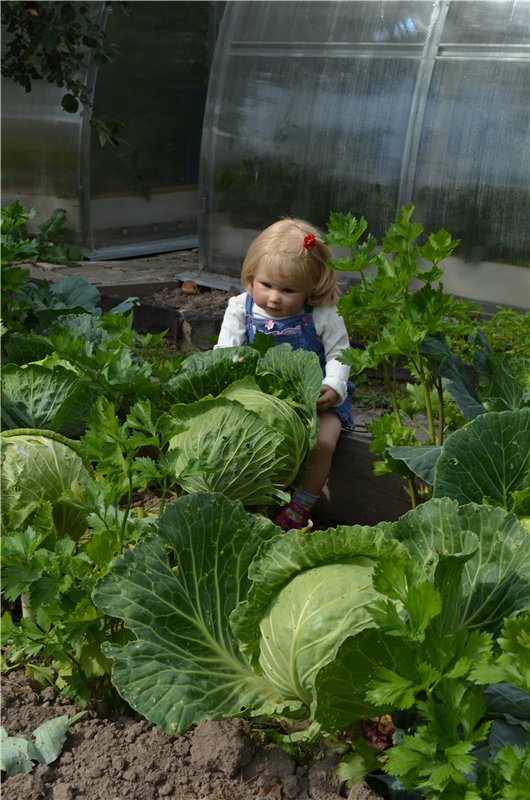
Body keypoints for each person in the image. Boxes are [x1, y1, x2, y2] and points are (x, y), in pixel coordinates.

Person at [214, 217, 354, 531]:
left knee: (324, 442)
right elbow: (224, 352)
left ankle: (301, 506)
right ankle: (253, 500)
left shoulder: (322, 314)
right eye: (266, 285)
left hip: (314, 400)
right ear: (251, 276)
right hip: (261, 397)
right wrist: (235, 371)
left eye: (289, 290)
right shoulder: (240, 308)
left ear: (312, 287)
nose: (274, 297)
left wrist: (333, 386)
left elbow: (341, 353)